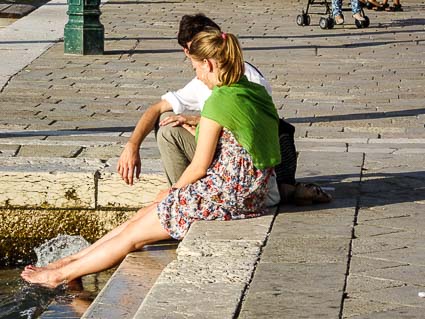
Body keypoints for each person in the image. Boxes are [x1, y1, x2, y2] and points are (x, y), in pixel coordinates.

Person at [21, 28, 280, 288]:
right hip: (251, 192)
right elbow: (245, 140)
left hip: (225, 195)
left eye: (196, 69)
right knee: (143, 215)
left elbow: (200, 166)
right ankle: (71, 262)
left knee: (134, 235)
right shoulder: (251, 91)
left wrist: (173, 190)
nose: (198, 77)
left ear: (209, 64)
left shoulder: (219, 100)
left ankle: (58, 275)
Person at [117, 13, 331, 206]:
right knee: (168, 118)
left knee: (169, 133)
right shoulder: (216, 82)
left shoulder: (242, 84)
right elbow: (158, 108)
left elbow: (249, 130)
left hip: (248, 168)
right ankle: (287, 192)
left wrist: (200, 123)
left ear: (206, 59)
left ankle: (181, 203)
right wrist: (132, 145)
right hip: (246, 165)